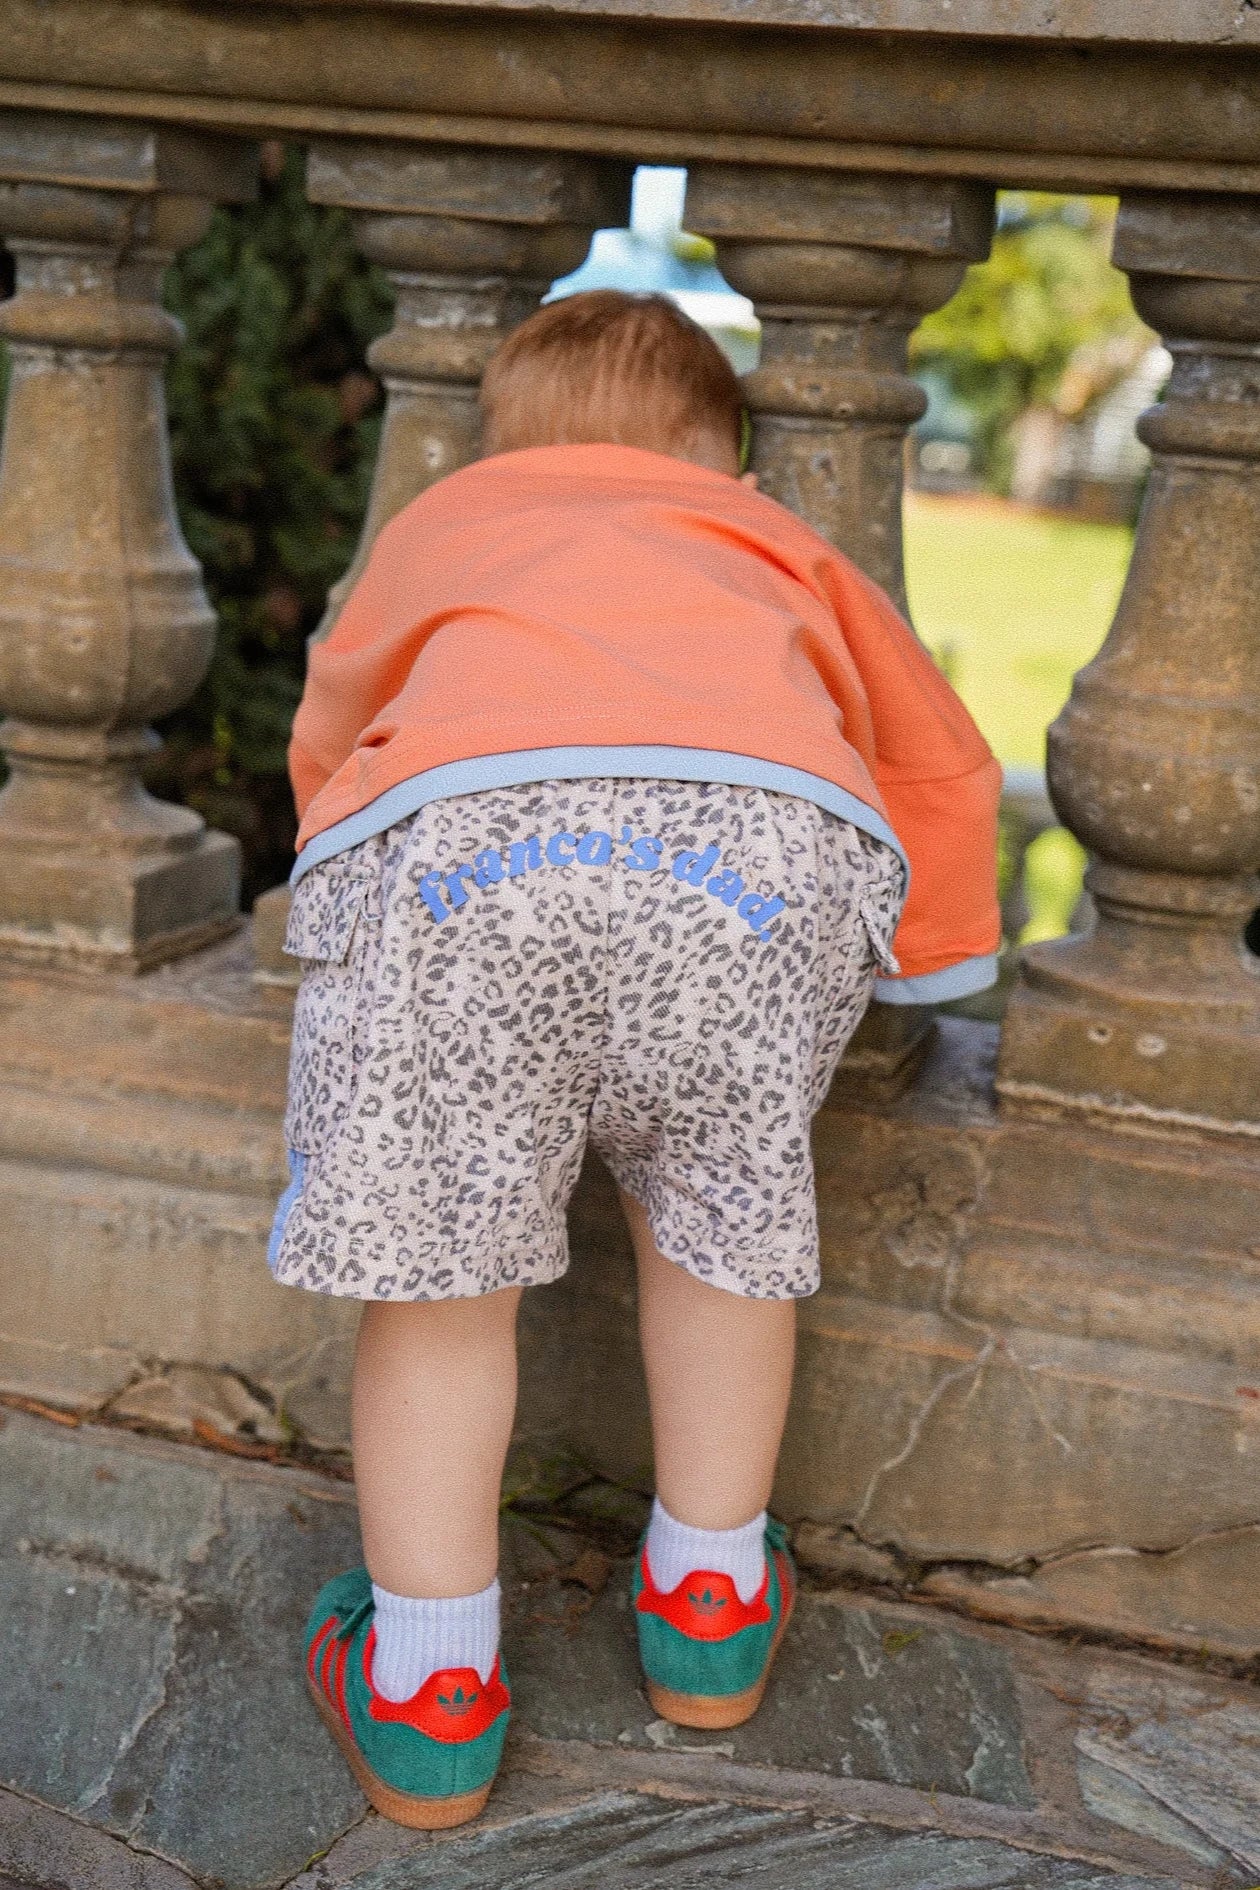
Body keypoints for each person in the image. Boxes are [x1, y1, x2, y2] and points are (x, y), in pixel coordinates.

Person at [273, 289, 1001, 1830]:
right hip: (752, 864)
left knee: (439, 1276)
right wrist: (939, 945)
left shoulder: (452, 522)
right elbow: (932, 741)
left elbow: (337, 705)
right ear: (715, 454)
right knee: (723, 1227)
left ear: (496, 445)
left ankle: (429, 1692)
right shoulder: (771, 539)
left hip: (470, 860)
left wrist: (330, 853)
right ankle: (712, 1610)